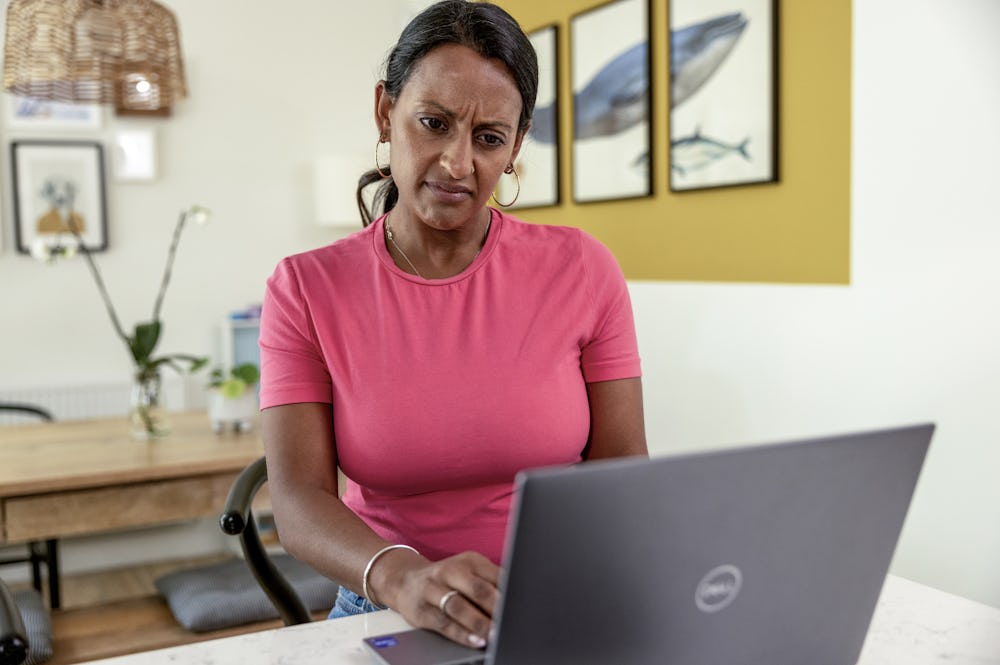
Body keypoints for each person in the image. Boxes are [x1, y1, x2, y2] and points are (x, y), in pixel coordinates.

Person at [258, 0, 647, 650]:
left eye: (489, 137)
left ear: (517, 145)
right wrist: (401, 576)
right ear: (386, 111)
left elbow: (621, 466)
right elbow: (298, 503)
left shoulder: (583, 268)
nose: (457, 162)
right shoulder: (305, 288)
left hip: (549, 597)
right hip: (384, 605)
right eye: (433, 123)